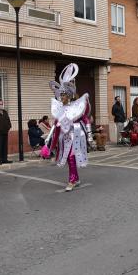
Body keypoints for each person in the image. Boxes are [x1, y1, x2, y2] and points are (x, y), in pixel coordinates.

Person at [47, 63, 92, 191]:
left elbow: (85, 118)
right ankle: (76, 178)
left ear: (69, 95)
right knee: (68, 159)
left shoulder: (76, 106)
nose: (61, 97)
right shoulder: (60, 109)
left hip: (75, 136)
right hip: (63, 137)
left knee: (71, 157)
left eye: (64, 95)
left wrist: (89, 136)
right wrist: (48, 140)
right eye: (60, 95)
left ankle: (72, 181)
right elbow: (56, 124)